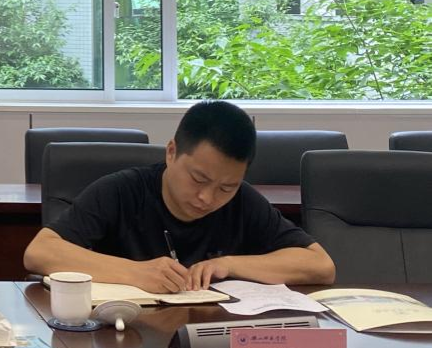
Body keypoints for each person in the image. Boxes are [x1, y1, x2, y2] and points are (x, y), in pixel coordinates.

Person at [23, 100, 335, 292]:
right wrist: (136, 273)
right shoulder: (121, 191)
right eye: (198, 179)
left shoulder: (243, 201)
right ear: (171, 152)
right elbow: (40, 252)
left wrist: (230, 265)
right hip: (123, 342)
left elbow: (321, 265)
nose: (207, 198)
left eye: (226, 187)